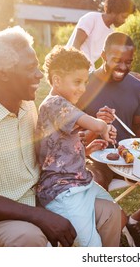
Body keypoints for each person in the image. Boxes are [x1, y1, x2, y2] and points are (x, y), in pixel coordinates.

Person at [0, 26, 76, 247]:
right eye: (31, 68)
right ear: (3, 73)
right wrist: (38, 216)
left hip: (37, 199)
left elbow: (41, 153)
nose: (39, 74)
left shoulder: (27, 105)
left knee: (106, 211)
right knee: (29, 237)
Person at [77, 32, 140, 246]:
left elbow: (138, 127)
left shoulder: (136, 87)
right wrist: (95, 123)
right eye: (117, 61)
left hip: (133, 157)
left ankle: (132, 221)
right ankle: (101, 239)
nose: (123, 67)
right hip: (97, 157)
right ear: (103, 55)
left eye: (128, 62)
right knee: (93, 185)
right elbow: (70, 128)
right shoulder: (84, 83)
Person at [35, 45, 122, 247]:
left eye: (85, 82)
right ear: (57, 80)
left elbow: (61, 146)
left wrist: (86, 150)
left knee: (114, 211)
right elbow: (91, 122)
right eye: (77, 82)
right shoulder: (54, 104)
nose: (83, 88)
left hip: (81, 183)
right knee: (91, 246)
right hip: (63, 191)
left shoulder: (63, 105)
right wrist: (102, 126)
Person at [66, 0, 135, 71]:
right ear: (115, 11)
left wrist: (128, 74)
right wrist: (81, 68)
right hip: (71, 65)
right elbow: (75, 45)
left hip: (87, 70)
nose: (124, 21)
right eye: (123, 17)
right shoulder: (92, 18)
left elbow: (106, 60)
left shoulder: (111, 33)